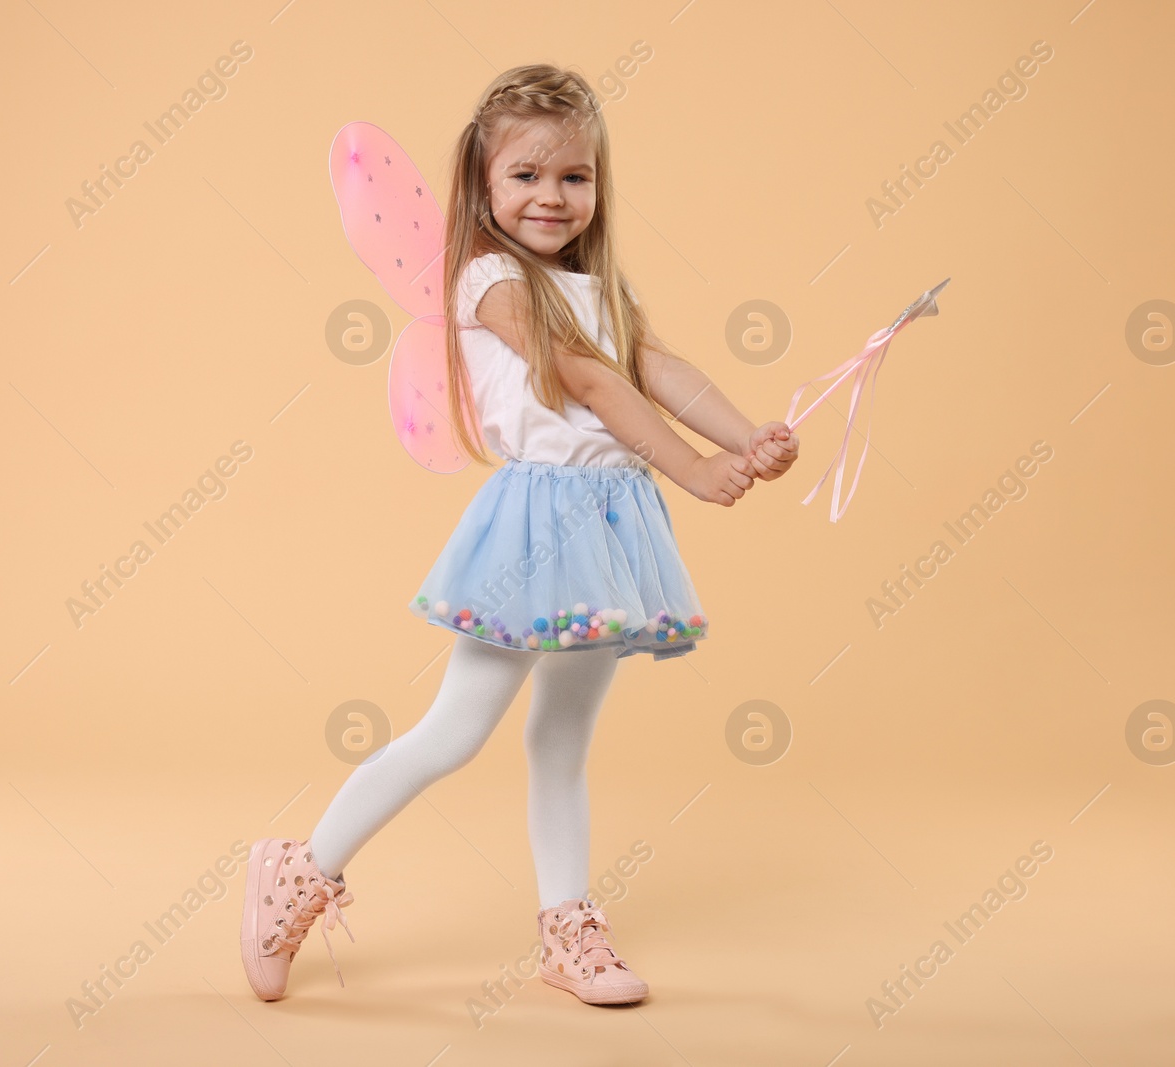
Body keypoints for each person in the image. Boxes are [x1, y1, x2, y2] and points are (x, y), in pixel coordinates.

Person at [241, 63, 800, 1007]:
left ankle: (566, 927)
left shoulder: (595, 283)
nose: (552, 196)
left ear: (599, 184)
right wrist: (695, 468)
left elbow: (653, 364)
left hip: (610, 522)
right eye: (527, 176)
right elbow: (585, 380)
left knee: (562, 740)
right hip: (537, 528)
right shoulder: (491, 278)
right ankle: (296, 871)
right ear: (484, 187)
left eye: (574, 177)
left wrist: (748, 436)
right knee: (455, 730)